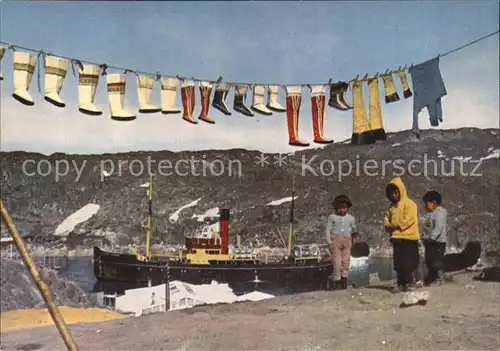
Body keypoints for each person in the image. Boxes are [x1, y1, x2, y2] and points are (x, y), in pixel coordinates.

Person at [384, 177, 420, 293]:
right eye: (391, 193)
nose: (394, 195)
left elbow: (409, 219)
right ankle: (400, 282)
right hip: (397, 238)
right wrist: (387, 225)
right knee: (398, 262)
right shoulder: (391, 208)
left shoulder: (410, 204)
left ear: (401, 190)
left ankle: (409, 282)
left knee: (409, 261)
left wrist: (396, 226)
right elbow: (386, 219)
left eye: (396, 192)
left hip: (409, 238)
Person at [325, 195, 358, 290]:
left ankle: (344, 280)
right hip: (336, 242)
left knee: (346, 261)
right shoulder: (332, 217)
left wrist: (354, 240)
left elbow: (354, 230)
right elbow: (328, 229)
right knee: (337, 262)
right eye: (339, 208)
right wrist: (329, 242)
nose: (341, 210)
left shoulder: (351, 218)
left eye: (344, 207)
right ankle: (337, 280)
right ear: (336, 208)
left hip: (348, 242)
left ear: (347, 208)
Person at [422, 190, 449, 286]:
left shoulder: (439, 213)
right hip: (430, 242)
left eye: (426, 203)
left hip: (437, 242)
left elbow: (439, 226)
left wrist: (432, 237)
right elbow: (427, 227)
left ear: (433, 203)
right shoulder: (430, 213)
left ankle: (439, 278)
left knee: (436, 261)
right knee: (429, 260)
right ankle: (431, 277)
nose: (425, 205)